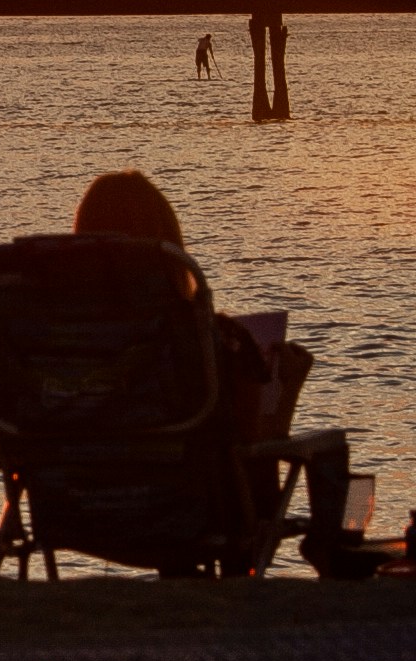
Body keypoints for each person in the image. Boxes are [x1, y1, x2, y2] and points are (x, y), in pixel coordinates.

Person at [72, 170, 309, 458]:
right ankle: (356, 503)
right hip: (190, 501)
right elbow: (257, 466)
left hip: (71, 501)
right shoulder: (220, 343)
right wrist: (288, 386)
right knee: (331, 455)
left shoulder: (47, 351)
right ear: (169, 249)